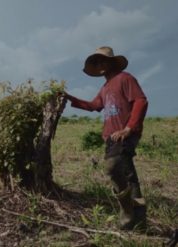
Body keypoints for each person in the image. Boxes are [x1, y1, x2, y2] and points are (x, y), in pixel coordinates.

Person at [66, 46, 148, 230]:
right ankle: (139, 222)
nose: (100, 64)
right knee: (128, 175)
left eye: (103, 60)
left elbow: (141, 101)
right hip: (111, 138)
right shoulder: (105, 87)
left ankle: (126, 213)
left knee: (113, 168)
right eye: (96, 62)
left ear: (112, 62)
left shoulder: (125, 78)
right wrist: (68, 98)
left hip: (124, 134)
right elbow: (93, 105)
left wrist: (128, 128)